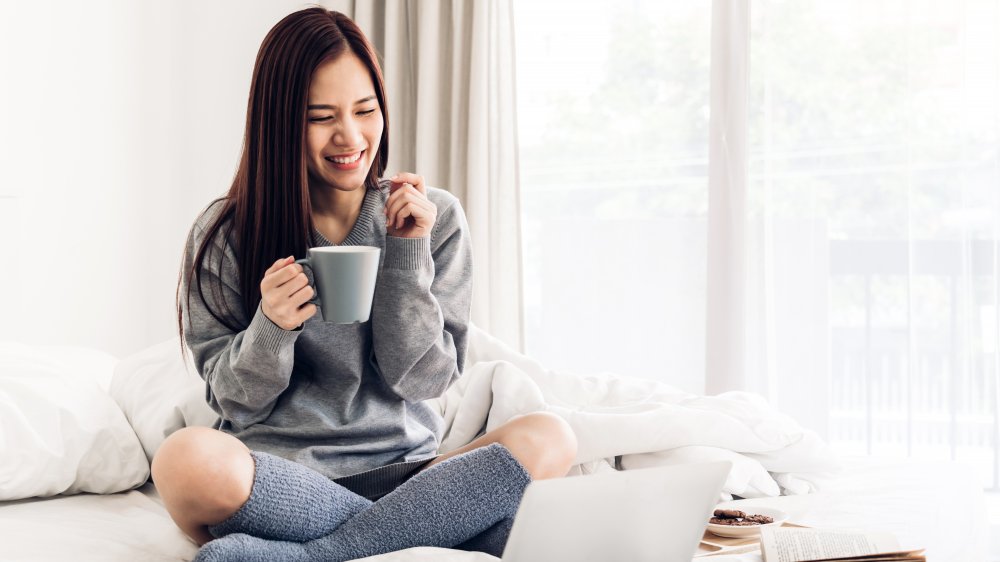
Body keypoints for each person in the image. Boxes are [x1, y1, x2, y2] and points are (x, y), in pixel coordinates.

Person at [151, 7, 577, 562]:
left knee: (551, 437)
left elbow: (425, 382)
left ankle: (315, 553)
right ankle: (428, 531)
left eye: (366, 110)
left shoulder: (433, 218)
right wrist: (272, 328)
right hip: (279, 483)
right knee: (183, 460)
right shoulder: (225, 233)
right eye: (320, 116)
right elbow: (235, 402)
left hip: (415, 475)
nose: (350, 136)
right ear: (279, 123)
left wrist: (404, 257)